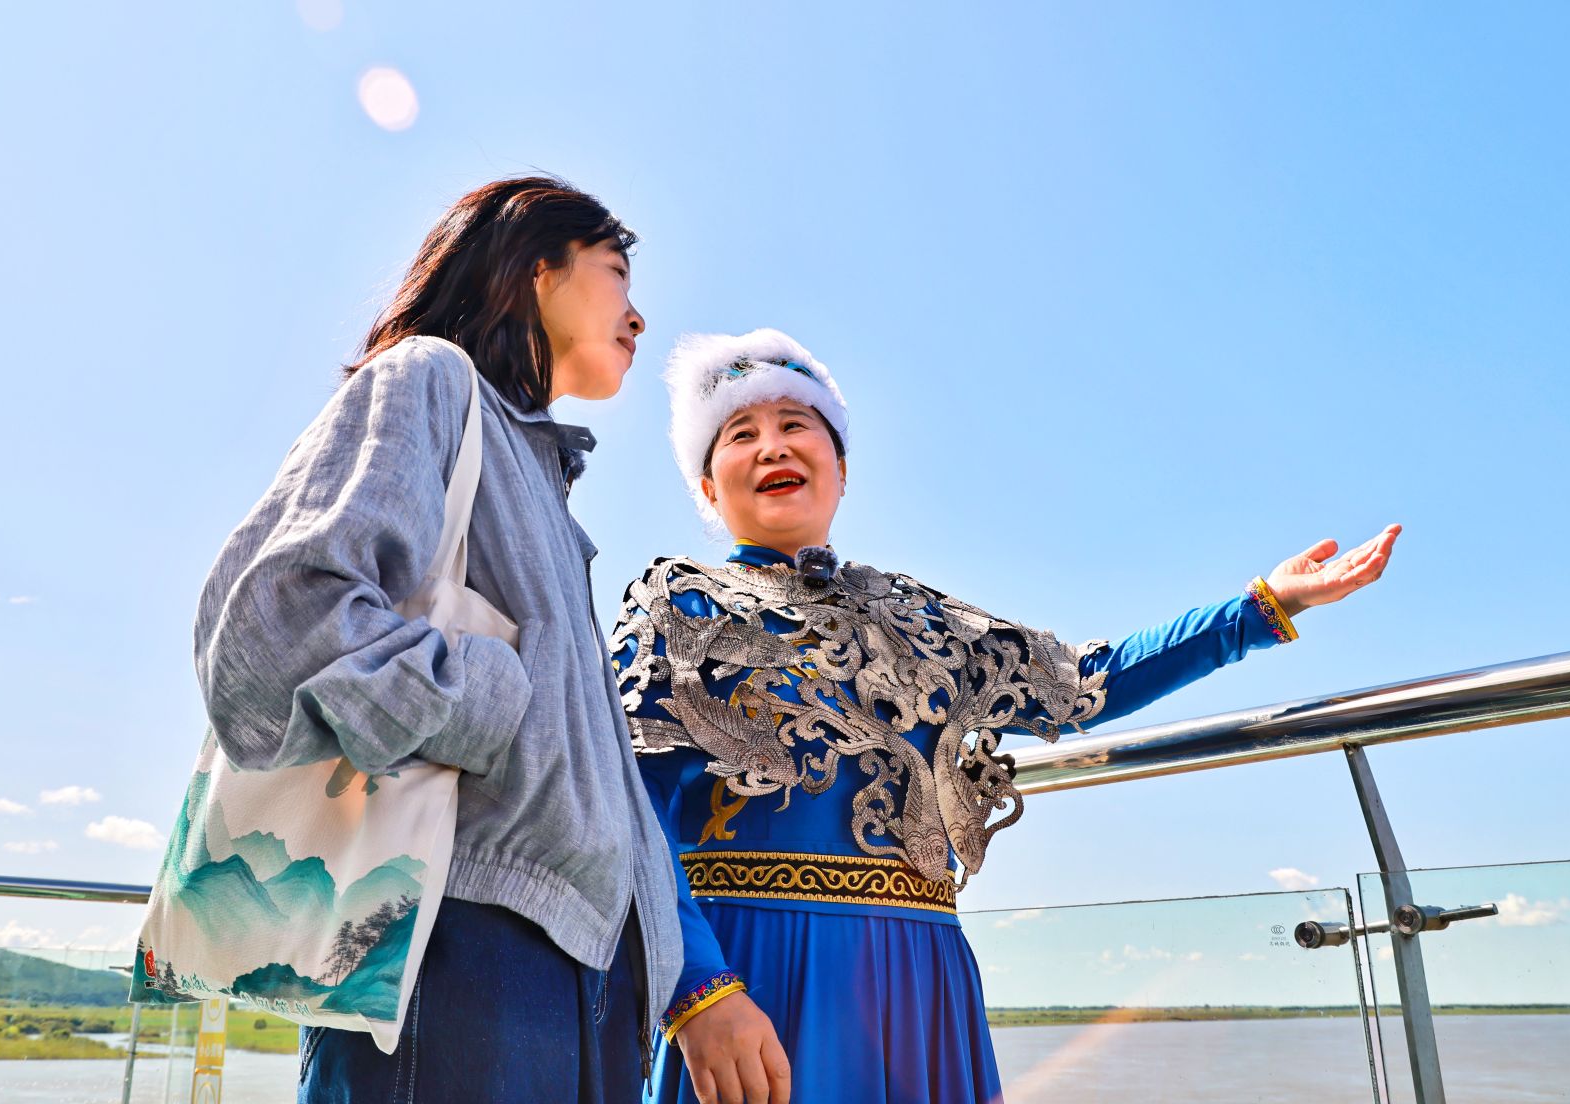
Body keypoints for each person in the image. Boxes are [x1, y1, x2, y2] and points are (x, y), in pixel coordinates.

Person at [610, 328, 1401, 1103]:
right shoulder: (677, 605)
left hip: (921, 978)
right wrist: (697, 992)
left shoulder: (918, 618)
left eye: (795, 424)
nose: (773, 446)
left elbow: (1081, 685)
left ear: (841, 469)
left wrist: (1261, 608)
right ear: (707, 487)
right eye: (741, 434)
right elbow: (623, 806)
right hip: (752, 975)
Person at [194, 177, 682, 1103]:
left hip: (589, 978)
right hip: (461, 950)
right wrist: (490, 696)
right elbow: (277, 627)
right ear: (539, 269)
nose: (639, 315)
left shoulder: (538, 472)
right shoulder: (427, 379)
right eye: (617, 272)